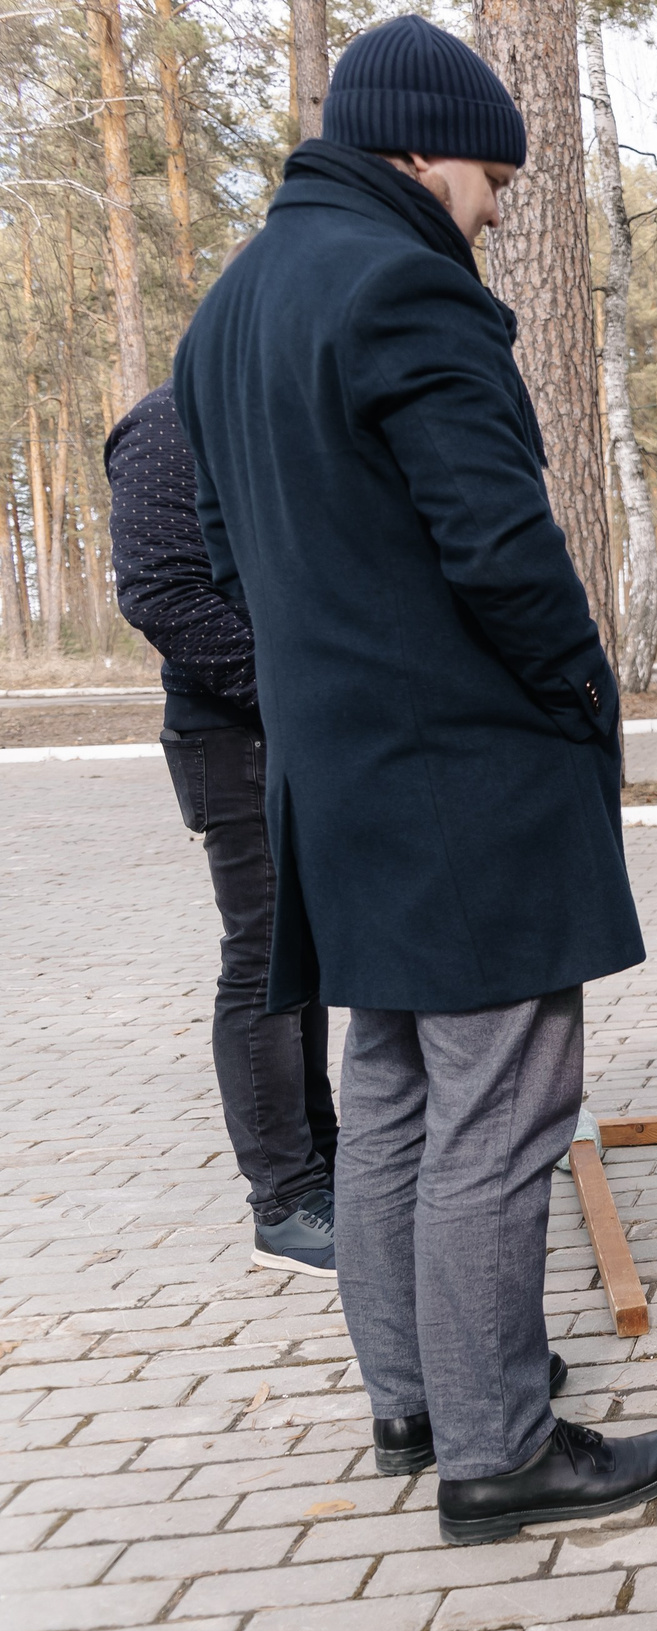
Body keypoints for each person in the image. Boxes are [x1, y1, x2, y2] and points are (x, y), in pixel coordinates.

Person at [171, 15, 657, 1544]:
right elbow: (500, 544)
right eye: (490, 175)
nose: (495, 205)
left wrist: (320, 693)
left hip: (331, 779)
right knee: (503, 1112)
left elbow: (225, 558)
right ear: (418, 145)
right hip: (464, 779)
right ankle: (499, 1446)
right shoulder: (405, 284)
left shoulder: (227, 314)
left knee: (393, 1092)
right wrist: (578, 698)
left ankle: (410, 1398)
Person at [109, 385, 341, 1279]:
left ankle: (325, 1165)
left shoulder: (270, 412)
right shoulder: (172, 418)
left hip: (297, 731)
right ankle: (282, 1199)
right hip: (231, 731)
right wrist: (288, 693)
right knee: (263, 957)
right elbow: (160, 590)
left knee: (304, 953)